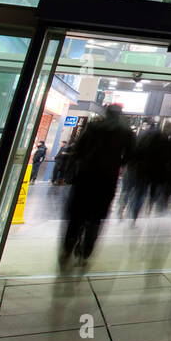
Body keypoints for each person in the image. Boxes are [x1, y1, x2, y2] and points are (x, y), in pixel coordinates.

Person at [60, 104, 134, 271]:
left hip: (85, 176)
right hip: (107, 179)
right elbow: (131, 155)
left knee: (76, 215)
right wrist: (117, 163)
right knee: (96, 218)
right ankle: (86, 252)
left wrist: (71, 169)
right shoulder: (126, 132)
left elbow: (78, 149)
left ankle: (68, 248)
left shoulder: (94, 127)